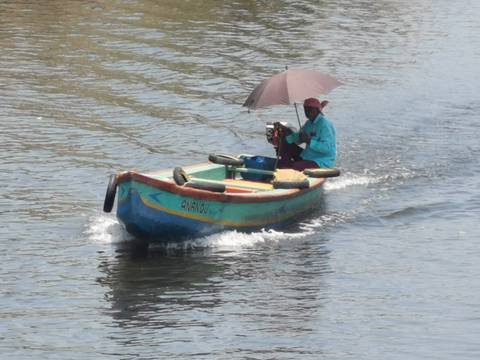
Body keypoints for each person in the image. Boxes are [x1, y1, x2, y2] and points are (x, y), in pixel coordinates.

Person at [278, 97, 336, 171]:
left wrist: (309, 141)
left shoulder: (325, 124)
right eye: (306, 110)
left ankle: (287, 169)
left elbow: (327, 148)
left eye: (310, 110)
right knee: (285, 144)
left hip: (321, 161)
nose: (307, 113)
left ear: (316, 110)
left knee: (294, 166)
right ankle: (284, 168)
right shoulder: (308, 124)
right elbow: (297, 139)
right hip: (307, 156)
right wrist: (286, 136)